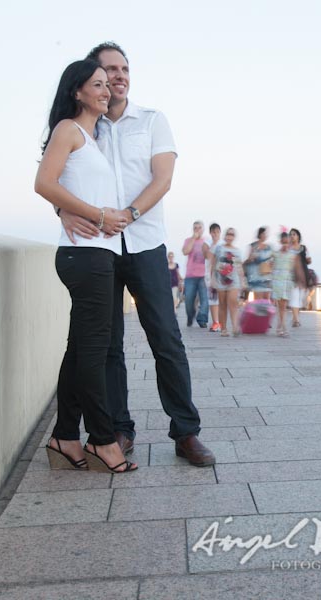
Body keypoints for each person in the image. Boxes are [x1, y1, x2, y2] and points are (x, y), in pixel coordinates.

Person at [58, 42, 214, 466]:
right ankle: (119, 430)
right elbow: (58, 173)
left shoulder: (152, 120)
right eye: (109, 70)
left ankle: (185, 431)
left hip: (145, 245)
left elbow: (163, 179)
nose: (119, 75)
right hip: (98, 250)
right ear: (96, 78)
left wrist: (129, 214)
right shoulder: (84, 126)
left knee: (166, 338)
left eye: (124, 68)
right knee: (108, 345)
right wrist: (61, 208)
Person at [34, 59, 136, 473]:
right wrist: (96, 214)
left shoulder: (94, 140)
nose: (105, 89)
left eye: (106, 84)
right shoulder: (68, 130)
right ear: (76, 92)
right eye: (97, 84)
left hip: (98, 257)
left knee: (80, 352)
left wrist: (75, 210)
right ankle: (102, 440)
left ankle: (64, 437)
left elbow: (68, 187)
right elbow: (44, 182)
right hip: (85, 256)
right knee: (93, 353)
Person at [209, 228, 243, 336]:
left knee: (233, 302)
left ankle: (235, 327)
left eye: (232, 235)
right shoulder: (219, 248)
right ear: (225, 236)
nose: (229, 237)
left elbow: (239, 266)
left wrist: (242, 280)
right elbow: (213, 263)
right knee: (222, 305)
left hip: (234, 280)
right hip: (220, 280)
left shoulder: (237, 251)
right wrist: (212, 279)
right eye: (228, 234)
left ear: (234, 237)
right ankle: (224, 329)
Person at [271, 232, 305, 337]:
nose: (285, 244)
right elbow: (270, 265)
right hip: (277, 281)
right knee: (280, 305)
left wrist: (301, 280)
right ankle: (281, 326)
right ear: (280, 242)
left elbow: (298, 268)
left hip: (287, 281)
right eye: (284, 242)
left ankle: (281, 326)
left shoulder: (292, 255)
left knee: (283, 305)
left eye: (287, 242)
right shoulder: (275, 253)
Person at [182, 221, 210, 328]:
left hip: (204, 275)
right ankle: (190, 315)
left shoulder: (207, 241)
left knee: (204, 299)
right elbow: (185, 251)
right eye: (195, 228)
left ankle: (202, 319)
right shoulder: (188, 240)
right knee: (189, 299)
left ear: (203, 229)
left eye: (199, 227)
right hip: (190, 275)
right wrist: (193, 238)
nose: (197, 229)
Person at [288, 228, 312, 327]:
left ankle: (295, 317)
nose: (292, 236)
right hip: (291, 276)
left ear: (298, 236)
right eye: (291, 234)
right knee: (294, 296)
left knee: (301, 298)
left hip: (303, 275)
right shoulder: (288, 249)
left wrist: (308, 259)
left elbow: (309, 261)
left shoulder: (303, 248)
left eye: (294, 234)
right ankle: (296, 320)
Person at [244, 226, 273, 300]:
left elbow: (272, 260)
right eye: (263, 233)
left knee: (267, 298)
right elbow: (247, 260)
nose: (265, 235)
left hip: (266, 275)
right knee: (258, 299)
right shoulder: (253, 246)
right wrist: (251, 258)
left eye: (266, 234)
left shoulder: (269, 247)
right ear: (260, 234)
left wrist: (271, 264)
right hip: (256, 276)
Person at [206, 222, 222, 332]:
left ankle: (221, 322)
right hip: (212, 276)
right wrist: (214, 244)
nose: (215, 234)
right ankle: (215, 322)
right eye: (213, 232)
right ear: (210, 233)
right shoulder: (209, 244)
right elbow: (208, 257)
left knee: (222, 300)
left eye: (217, 232)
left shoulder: (223, 244)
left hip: (223, 277)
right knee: (213, 300)